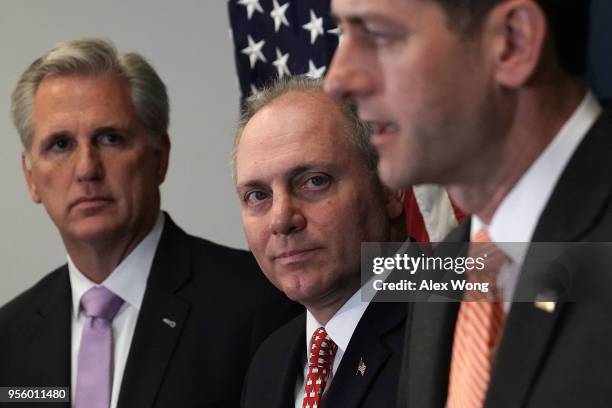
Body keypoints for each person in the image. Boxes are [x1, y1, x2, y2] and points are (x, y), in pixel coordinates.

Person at [325, 0, 612, 407]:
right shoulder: (438, 282)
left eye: (378, 34)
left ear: (513, 43)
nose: (336, 81)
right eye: (342, 34)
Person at [0, 38, 299, 408]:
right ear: (30, 177)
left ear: (159, 158)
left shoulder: (261, 304)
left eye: (110, 138)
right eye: (60, 145)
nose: (86, 169)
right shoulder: (8, 337)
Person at [235, 77, 407, 408]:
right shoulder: (270, 361)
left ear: (389, 187)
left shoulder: (452, 322)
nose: (282, 220)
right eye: (258, 195)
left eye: (314, 181)